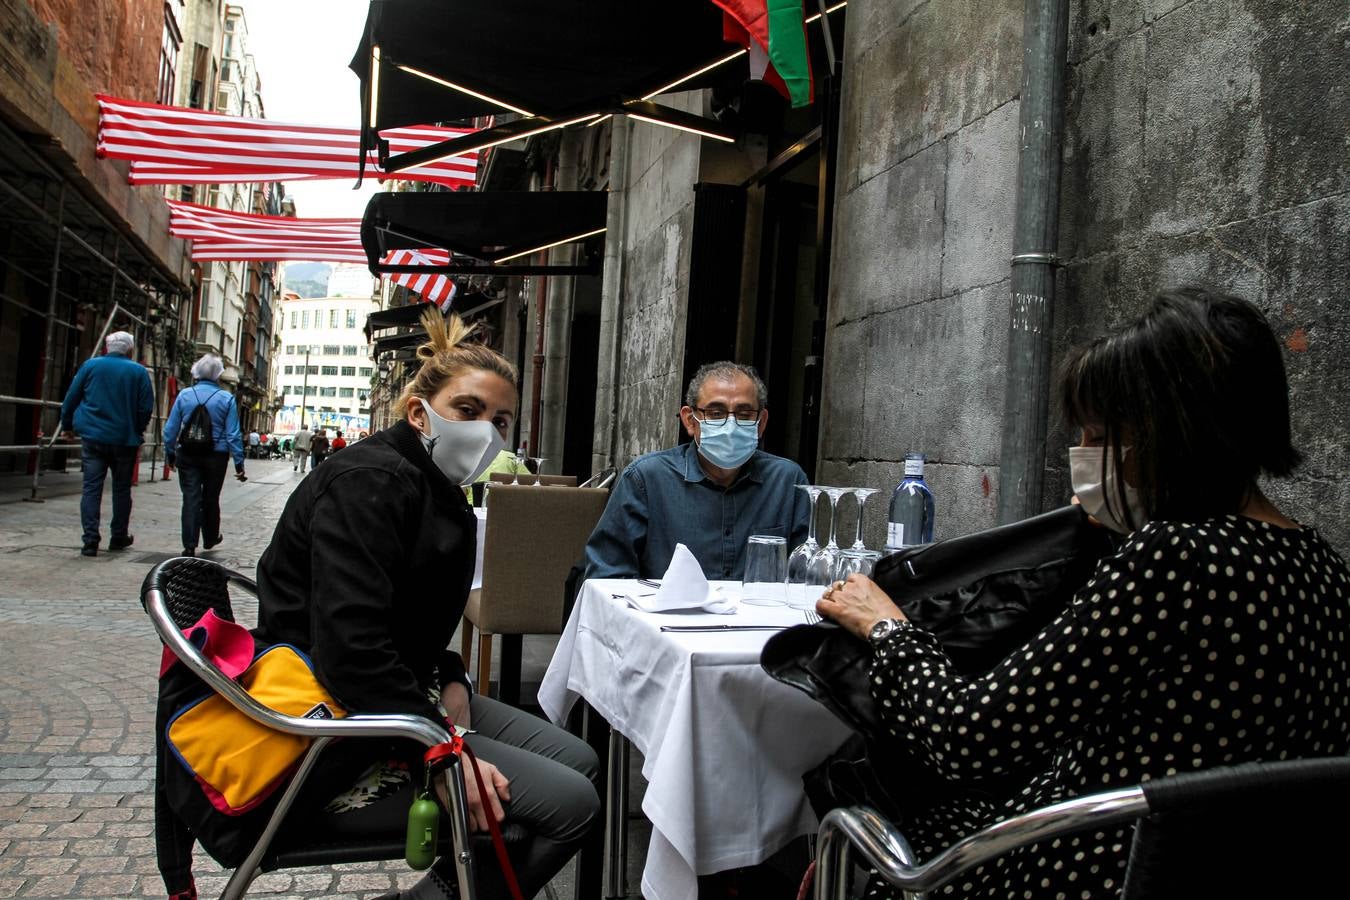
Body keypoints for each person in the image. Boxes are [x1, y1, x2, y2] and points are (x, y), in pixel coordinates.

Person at [817, 286, 1350, 899]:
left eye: (1099, 437)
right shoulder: (1322, 565)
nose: (1086, 458)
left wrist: (887, 627)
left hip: (1095, 866)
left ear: (1166, 436)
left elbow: (968, 736)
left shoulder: (1172, 559)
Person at [254, 309, 599, 899]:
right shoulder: (371, 482)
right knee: (574, 802)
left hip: (403, 691)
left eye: (501, 420)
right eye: (469, 411)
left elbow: (407, 619)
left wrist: (450, 672)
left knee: (582, 759)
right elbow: (351, 648)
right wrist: (441, 751)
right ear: (420, 412)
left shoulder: (437, 492)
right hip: (333, 720)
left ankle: (446, 888)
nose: (487, 431)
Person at [583, 361, 811, 581]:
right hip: (666, 618)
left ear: (761, 423)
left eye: (744, 414)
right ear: (690, 421)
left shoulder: (788, 482)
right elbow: (606, 576)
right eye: (715, 413)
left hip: (759, 619)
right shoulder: (646, 479)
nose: (730, 426)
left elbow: (805, 580)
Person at [59, 331, 154, 557]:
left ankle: (90, 540)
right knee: (121, 489)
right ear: (130, 350)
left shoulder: (90, 366)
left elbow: (72, 397)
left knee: (91, 488)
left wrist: (67, 425)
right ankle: (118, 535)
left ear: (106, 347)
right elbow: (145, 407)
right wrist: (137, 429)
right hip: (124, 440)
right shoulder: (138, 372)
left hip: (94, 438)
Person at [163, 354, 245, 558]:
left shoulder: (185, 395)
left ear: (196, 372)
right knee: (211, 497)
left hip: (188, 453)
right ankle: (210, 537)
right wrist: (239, 462)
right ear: (218, 374)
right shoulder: (226, 398)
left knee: (190, 498)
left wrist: (170, 453)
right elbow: (233, 433)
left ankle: (189, 544)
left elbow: (170, 429)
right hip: (216, 456)